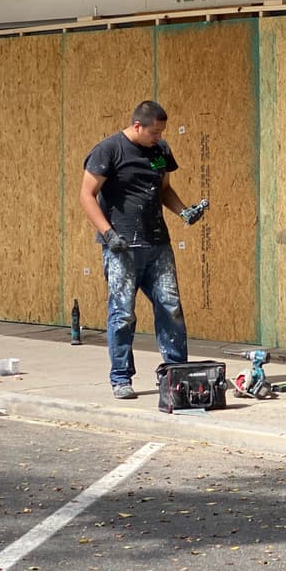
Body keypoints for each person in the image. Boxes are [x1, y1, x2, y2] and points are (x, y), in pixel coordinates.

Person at [79, 100, 205, 399]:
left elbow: (163, 189)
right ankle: (121, 377)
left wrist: (184, 212)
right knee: (123, 313)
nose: (158, 137)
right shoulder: (109, 150)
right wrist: (108, 234)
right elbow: (86, 195)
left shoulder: (160, 152)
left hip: (157, 244)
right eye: (154, 132)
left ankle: (176, 372)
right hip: (122, 247)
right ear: (137, 126)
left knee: (170, 307)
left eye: (162, 132)